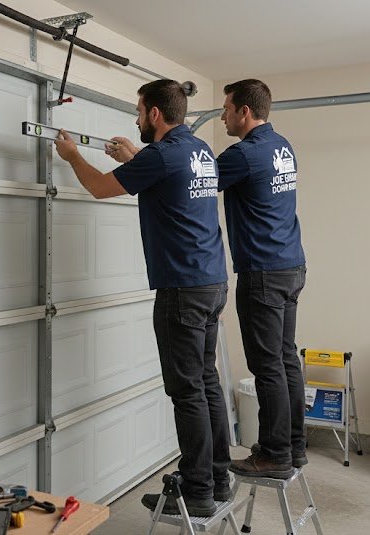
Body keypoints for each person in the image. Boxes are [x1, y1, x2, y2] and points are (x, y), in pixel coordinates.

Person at [53, 79, 231, 516]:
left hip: (182, 289)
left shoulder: (162, 155)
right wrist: (133, 157)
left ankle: (197, 493)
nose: (135, 120)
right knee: (206, 383)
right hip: (212, 282)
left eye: (138, 111)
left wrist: (72, 154)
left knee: (187, 391)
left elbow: (99, 187)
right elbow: (168, 181)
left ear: (154, 113)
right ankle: (218, 479)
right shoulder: (198, 151)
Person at [217, 79, 307, 480]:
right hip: (290, 266)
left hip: (264, 272)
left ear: (245, 112)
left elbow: (190, 184)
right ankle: (294, 446)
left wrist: (137, 157)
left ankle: (274, 454)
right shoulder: (281, 146)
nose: (222, 116)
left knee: (267, 365)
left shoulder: (246, 154)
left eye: (226, 109)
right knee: (286, 360)